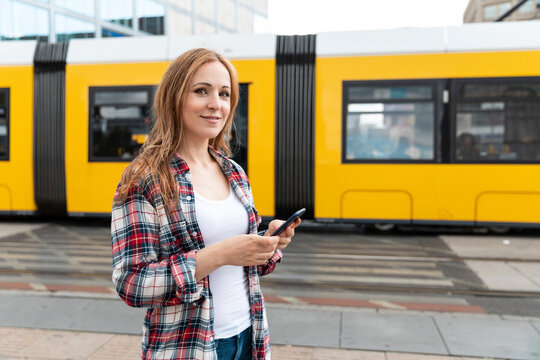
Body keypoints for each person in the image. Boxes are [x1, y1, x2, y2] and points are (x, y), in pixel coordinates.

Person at [111, 48, 300, 360]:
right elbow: (132, 283)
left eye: (224, 94)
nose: (216, 104)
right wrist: (222, 253)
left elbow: (246, 266)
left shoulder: (233, 171)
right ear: (174, 98)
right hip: (187, 347)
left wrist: (268, 243)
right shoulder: (146, 178)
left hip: (249, 337)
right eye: (202, 91)